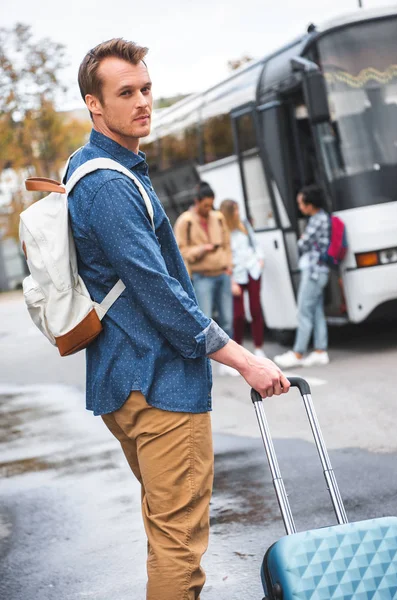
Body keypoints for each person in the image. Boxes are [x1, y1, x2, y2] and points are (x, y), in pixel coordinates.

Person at [66, 38, 290, 600]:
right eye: (126, 92)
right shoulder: (109, 185)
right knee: (178, 544)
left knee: (166, 529)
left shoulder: (90, 167)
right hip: (158, 384)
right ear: (94, 104)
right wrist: (245, 361)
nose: (143, 102)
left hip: (126, 379)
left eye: (145, 89)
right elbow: (160, 295)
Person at [174, 181, 236, 376]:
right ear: (197, 201)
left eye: (211, 205)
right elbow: (180, 250)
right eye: (205, 205)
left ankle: (230, 363)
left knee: (227, 319)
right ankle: (205, 365)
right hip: (202, 277)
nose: (209, 209)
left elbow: (227, 244)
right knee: (205, 322)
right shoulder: (185, 221)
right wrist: (201, 250)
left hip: (222, 274)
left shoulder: (217, 218)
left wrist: (229, 267)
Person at [274, 184, 330, 368]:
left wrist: (302, 239)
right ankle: (320, 351)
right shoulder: (321, 218)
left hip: (313, 272)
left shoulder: (317, 220)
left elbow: (303, 244)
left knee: (304, 312)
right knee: (316, 312)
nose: (299, 207)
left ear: (310, 203)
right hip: (320, 271)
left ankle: (298, 353)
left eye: (301, 203)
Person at [219, 199, 266, 357]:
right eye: (235, 210)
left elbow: (256, 244)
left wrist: (260, 260)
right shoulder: (222, 231)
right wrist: (231, 282)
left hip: (252, 271)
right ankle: (238, 354)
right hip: (235, 276)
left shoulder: (244, 225)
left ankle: (259, 348)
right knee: (238, 315)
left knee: (256, 310)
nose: (238, 213)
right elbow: (223, 257)